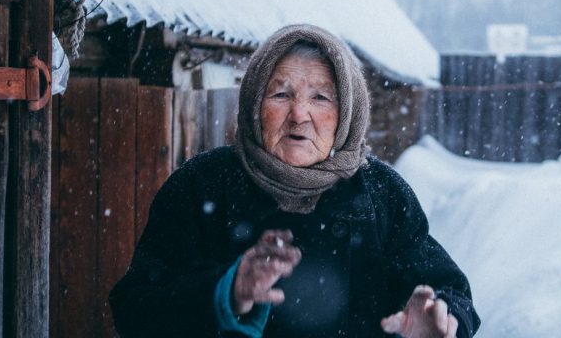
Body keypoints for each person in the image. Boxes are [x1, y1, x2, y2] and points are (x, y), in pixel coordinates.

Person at [109, 24, 480, 337]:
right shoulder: (202, 184)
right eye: (281, 94)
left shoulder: (381, 193)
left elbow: (451, 291)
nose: (299, 114)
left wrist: (444, 319)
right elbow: (135, 309)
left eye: (320, 97)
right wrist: (226, 291)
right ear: (255, 102)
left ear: (347, 113)